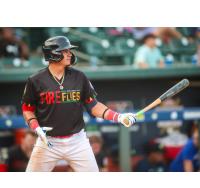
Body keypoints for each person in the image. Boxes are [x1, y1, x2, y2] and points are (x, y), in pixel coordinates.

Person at [21, 36, 136, 172]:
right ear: (53, 53)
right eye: (65, 51)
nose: (70, 54)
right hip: (48, 141)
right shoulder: (35, 80)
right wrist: (36, 128)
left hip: (77, 141)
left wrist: (119, 117)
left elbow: (93, 106)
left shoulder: (79, 77)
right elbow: (27, 109)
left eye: (69, 50)